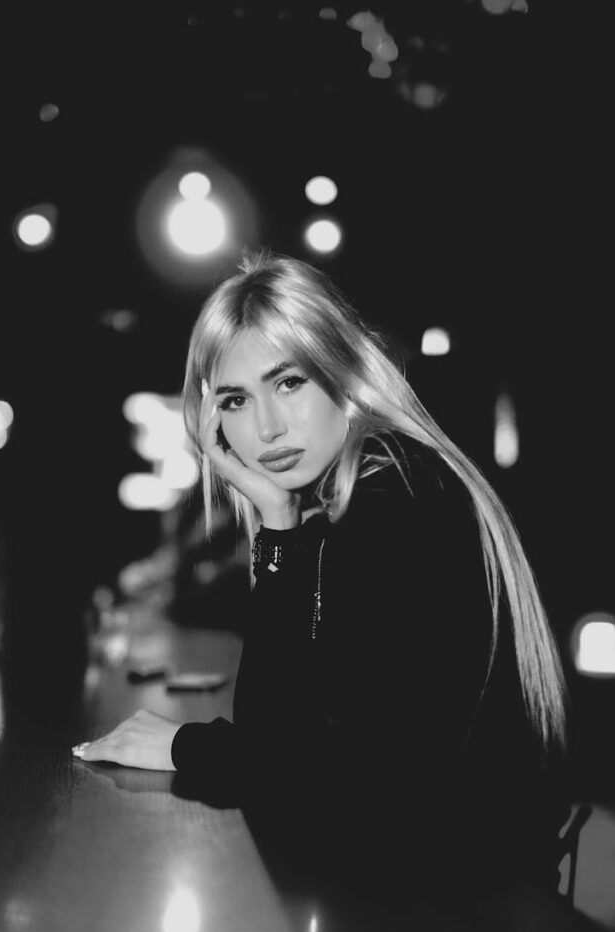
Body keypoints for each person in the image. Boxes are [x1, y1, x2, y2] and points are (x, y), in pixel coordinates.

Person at [73, 250, 570, 896]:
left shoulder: (395, 501)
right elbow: (282, 737)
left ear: (342, 371)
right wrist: (276, 524)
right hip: (445, 885)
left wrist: (183, 748)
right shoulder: (365, 491)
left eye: (289, 383)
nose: (268, 427)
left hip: (462, 917)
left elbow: (337, 780)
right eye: (234, 400)